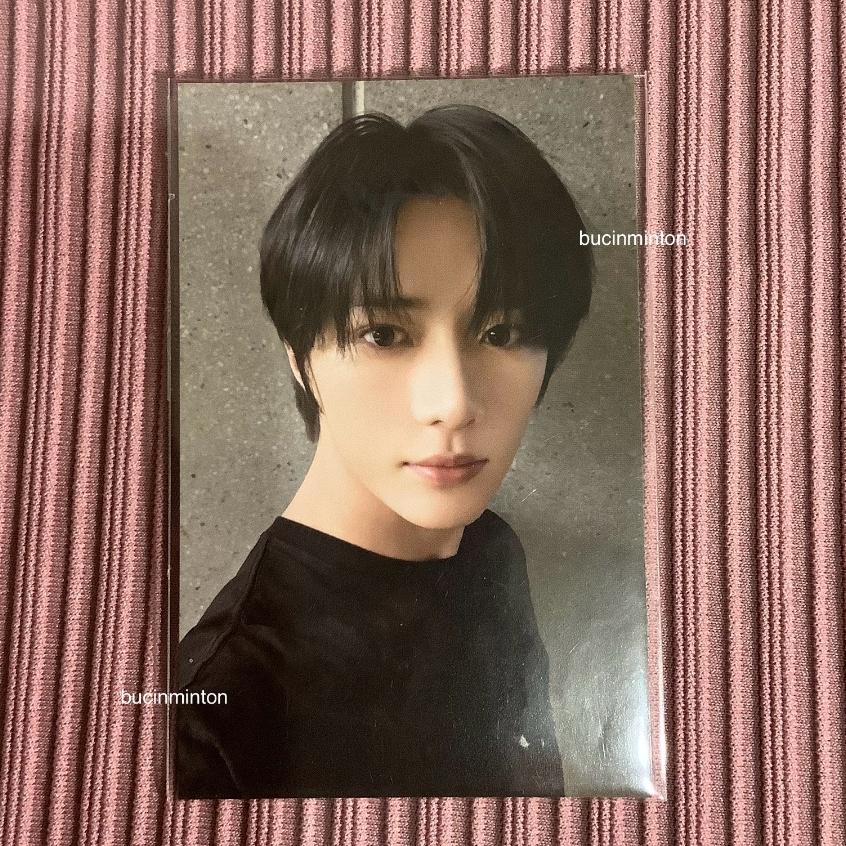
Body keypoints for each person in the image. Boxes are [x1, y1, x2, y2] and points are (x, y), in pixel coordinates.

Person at [176, 105, 593, 799]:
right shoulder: (218, 711)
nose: (453, 402)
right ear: (299, 357)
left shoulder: (489, 551)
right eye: (383, 335)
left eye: (501, 332)